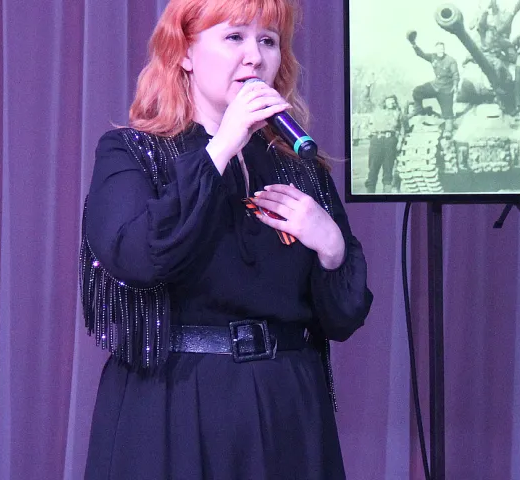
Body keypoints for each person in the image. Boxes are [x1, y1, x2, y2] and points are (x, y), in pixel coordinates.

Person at [78, 0, 373, 478]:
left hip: (286, 403)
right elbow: (137, 257)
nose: (254, 56)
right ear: (184, 52)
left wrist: (332, 247)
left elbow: (343, 318)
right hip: (175, 402)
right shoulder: (132, 152)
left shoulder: (298, 167)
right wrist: (220, 148)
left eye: (268, 41)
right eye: (234, 37)